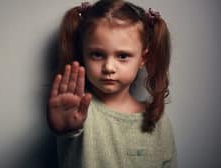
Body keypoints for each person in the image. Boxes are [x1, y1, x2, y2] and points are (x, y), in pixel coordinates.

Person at [47, 0, 176, 167]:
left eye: (122, 56)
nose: (108, 67)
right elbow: (69, 129)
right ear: (83, 53)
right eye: (97, 54)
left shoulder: (157, 121)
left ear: (143, 58)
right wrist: (63, 129)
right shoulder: (77, 111)